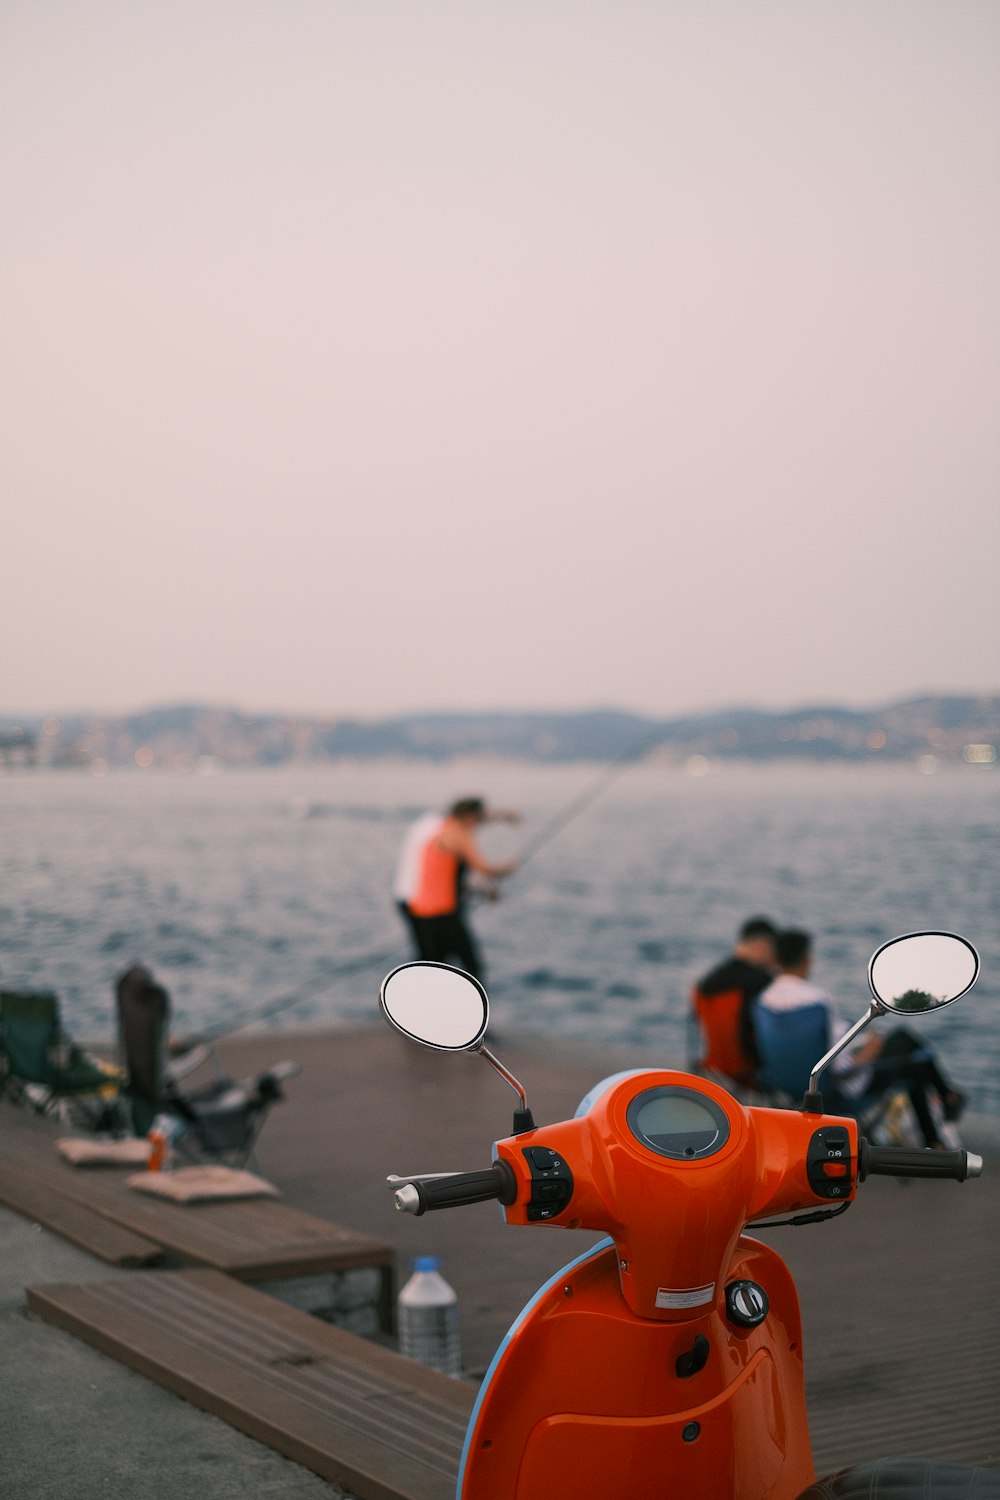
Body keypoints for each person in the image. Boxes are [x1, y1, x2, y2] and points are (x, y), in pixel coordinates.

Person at [757, 928, 966, 1148]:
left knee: (903, 1046)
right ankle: (940, 1118)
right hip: (834, 1091)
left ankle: (945, 1104)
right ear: (807, 960)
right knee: (910, 1056)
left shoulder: (764, 1000)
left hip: (786, 1086)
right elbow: (838, 1065)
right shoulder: (817, 1001)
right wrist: (869, 1052)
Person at [393, 797, 519, 980]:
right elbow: (482, 868)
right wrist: (509, 867)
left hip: (416, 905)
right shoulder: (458, 834)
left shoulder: (433, 827)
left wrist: (501, 816)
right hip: (439, 911)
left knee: (432, 963)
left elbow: (445, 869)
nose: (477, 826)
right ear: (470, 817)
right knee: (470, 967)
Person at [691, 916, 778, 1087]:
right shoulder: (762, 983)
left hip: (711, 1072)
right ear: (763, 946)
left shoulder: (706, 983)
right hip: (747, 1080)